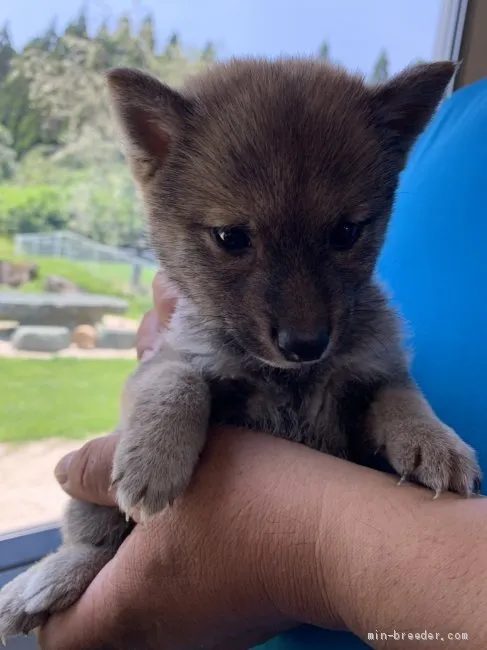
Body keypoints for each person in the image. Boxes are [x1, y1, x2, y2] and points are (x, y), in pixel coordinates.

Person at [39, 75, 487, 650]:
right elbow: (172, 371)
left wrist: (410, 424)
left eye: (344, 234)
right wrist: (170, 392)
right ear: (157, 149)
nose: (305, 323)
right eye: (232, 239)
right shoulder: (467, 113)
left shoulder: (369, 322)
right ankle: (83, 557)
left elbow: (386, 386)